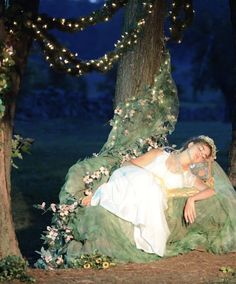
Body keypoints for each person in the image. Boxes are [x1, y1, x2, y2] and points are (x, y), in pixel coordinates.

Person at [73, 135, 235, 261]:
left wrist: (192, 200)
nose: (199, 155)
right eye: (200, 149)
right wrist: (145, 178)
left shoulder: (189, 176)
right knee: (148, 183)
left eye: (203, 156)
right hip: (130, 179)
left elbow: (210, 191)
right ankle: (99, 195)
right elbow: (130, 164)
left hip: (149, 199)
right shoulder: (161, 153)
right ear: (191, 144)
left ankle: (102, 199)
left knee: (154, 192)